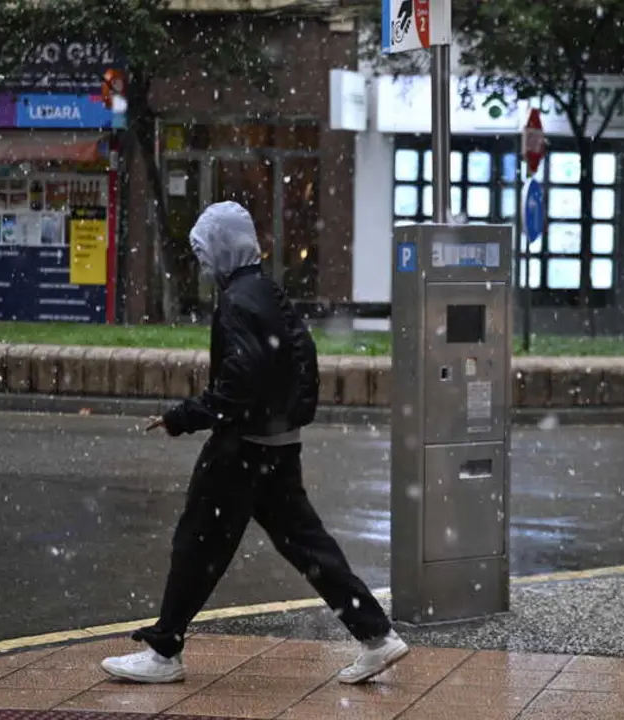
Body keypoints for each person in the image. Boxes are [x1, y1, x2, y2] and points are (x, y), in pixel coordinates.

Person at [101, 201, 408, 685]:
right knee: (308, 546)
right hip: (278, 445)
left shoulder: (237, 301)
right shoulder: (268, 292)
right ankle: (376, 636)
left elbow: (241, 379)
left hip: (240, 449)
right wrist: (291, 417)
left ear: (222, 248)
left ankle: (164, 653)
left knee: (197, 544)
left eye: (204, 251)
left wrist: (185, 416)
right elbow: (303, 360)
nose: (202, 263)